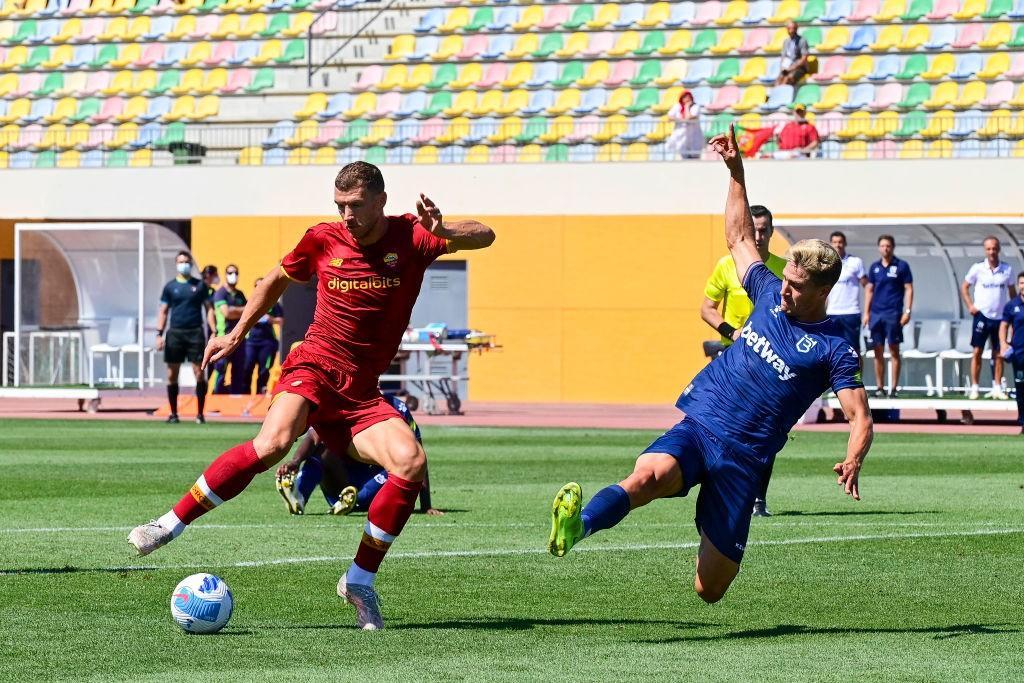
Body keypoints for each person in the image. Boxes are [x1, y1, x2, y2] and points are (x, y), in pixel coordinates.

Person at [128, 162, 495, 631]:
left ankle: (359, 581)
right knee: (274, 443)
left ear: (381, 201)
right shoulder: (322, 238)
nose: (346, 215)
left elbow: (486, 235)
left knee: (410, 462)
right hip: (314, 366)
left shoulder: (413, 236)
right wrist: (238, 333)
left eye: (356, 205)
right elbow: (273, 280)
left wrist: (446, 229)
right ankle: (168, 524)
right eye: (339, 205)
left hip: (361, 393)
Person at [547, 125, 872, 607]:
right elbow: (739, 235)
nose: (785, 288)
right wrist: (736, 170)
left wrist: (853, 456)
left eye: (797, 285)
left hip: (745, 460)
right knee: (646, 477)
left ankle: (708, 521)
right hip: (702, 425)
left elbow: (859, 416)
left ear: (822, 291)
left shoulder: (834, 349)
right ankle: (579, 526)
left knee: (710, 590)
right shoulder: (766, 291)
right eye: (787, 279)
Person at [700, 204, 786, 517]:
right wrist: (732, 332)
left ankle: (758, 499)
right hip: (731, 358)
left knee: (767, 430)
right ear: (746, 230)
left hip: (767, 361)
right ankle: (723, 492)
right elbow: (707, 308)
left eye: (765, 230)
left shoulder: (783, 268)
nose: (759, 235)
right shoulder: (726, 265)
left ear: (772, 232)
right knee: (721, 427)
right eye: (754, 229)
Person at [275, 394, 442, 516]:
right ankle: (299, 495)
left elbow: (418, 457)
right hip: (340, 484)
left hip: (372, 483)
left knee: (402, 462)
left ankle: (353, 500)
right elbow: (313, 437)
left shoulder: (398, 409)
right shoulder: (341, 401)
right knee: (321, 452)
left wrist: (426, 505)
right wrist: (296, 462)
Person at [156, 251, 213, 424]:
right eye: (181, 262)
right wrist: (159, 334)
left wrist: (214, 330)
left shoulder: (200, 286)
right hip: (175, 333)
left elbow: (209, 308)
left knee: (199, 372)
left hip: (195, 332)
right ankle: (173, 414)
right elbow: (163, 311)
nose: (184, 265)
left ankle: (200, 414)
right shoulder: (170, 287)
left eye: (187, 262)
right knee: (172, 374)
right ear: (176, 264)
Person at [961, 237, 1015, 400]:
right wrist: (970, 305)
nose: (991, 252)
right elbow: (964, 286)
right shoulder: (978, 268)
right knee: (977, 351)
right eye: (988, 249)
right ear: (985, 250)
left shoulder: (1007, 269)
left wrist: (1012, 314)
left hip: (1000, 319)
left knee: (998, 353)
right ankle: (975, 387)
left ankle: (997, 387)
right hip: (982, 316)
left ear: (999, 249)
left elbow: (1012, 293)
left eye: (994, 249)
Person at [864, 235, 913, 397]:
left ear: (893, 247)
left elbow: (909, 289)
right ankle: (880, 387)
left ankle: (894, 388)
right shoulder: (874, 267)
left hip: (893, 314)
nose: (885, 248)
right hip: (876, 314)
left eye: (888, 246)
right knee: (877, 352)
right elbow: (869, 290)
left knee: (894, 350)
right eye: (883, 246)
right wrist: (866, 313)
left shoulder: (901, 266)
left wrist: (907, 311)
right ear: (879, 248)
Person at [826, 231, 867, 354]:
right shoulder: (826, 263)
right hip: (832, 312)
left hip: (851, 312)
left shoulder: (855, 262)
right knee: (833, 350)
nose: (838, 245)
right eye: (835, 242)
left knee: (854, 350)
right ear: (830, 244)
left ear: (845, 244)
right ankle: (837, 374)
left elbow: (868, 286)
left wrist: (867, 312)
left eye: (840, 242)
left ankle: (858, 374)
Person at [211, 264, 248, 394]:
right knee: (221, 369)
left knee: (238, 371)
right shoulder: (220, 293)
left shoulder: (240, 294)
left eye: (236, 273)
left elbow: (248, 312)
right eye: (230, 273)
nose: (234, 275)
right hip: (224, 337)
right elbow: (227, 313)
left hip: (239, 338)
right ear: (226, 274)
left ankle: (235, 398)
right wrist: (241, 310)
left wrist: (237, 311)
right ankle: (216, 397)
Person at [243, 277, 283, 394]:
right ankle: (245, 394)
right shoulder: (249, 302)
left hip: (267, 341)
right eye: (257, 286)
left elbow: (281, 320)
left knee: (264, 370)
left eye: (261, 285)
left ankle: (261, 392)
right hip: (251, 341)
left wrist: (271, 319)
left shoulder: (273, 302)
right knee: (247, 368)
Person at [999, 273, 1024, 433]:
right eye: (1022, 283)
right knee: (1021, 390)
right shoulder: (1012, 305)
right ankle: (1023, 422)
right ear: (1018, 285)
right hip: (1019, 354)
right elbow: (1003, 326)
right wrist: (1003, 344)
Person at [667, 89, 703, 160]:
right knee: (683, 156)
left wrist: (687, 107)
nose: (687, 99)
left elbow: (688, 117)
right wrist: (681, 120)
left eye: (688, 97)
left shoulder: (696, 107)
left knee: (694, 157)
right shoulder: (678, 106)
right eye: (684, 97)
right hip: (681, 136)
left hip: (694, 136)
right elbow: (669, 117)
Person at [776, 20, 810, 86]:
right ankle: (775, 95)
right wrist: (782, 67)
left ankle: (783, 95)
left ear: (796, 29)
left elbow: (803, 59)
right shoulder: (786, 41)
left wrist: (792, 68)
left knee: (788, 78)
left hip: (799, 67)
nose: (791, 30)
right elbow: (783, 56)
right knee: (778, 80)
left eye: (793, 28)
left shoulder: (802, 40)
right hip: (787, 66)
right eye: (789, 28)